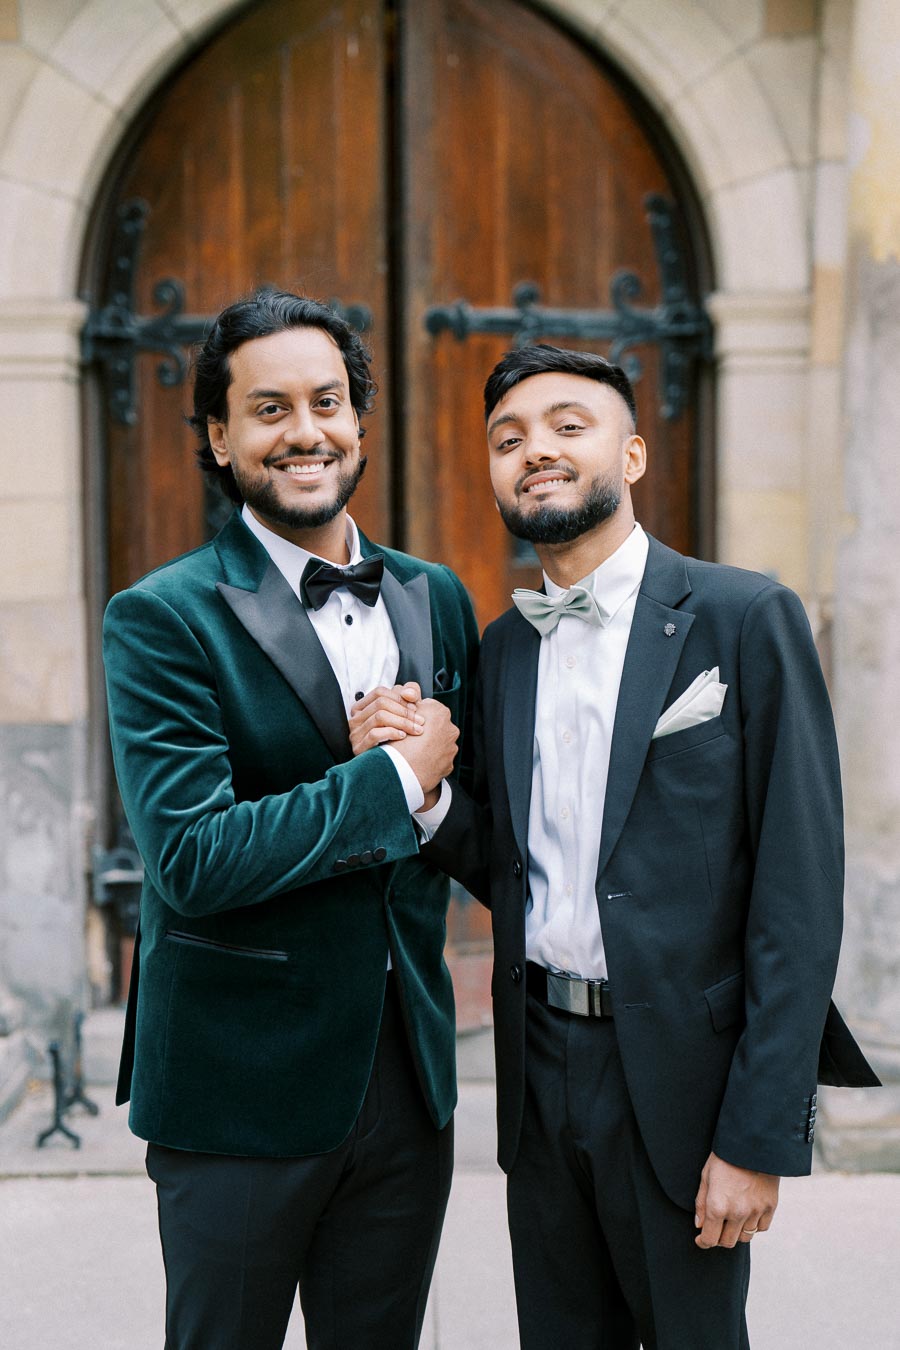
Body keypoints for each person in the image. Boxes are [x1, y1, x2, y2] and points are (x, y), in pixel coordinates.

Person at [367, 343, 879, 1348]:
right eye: (507, 439)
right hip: (540, 1068)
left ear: (633, 455)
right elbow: (506, 863)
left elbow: (800, 889)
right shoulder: (505, 646)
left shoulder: (744, 618)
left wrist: (759, 1134)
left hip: (687, 1082)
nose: (535, 452)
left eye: (568, 425)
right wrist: (421, 792)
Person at [103, 290, 478, 1350]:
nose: (304, 432)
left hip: (407, 1087)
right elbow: (190, 857)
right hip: (237, 1090)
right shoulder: (162, 616)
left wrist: (433, 788)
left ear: (359, 420)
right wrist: (394, 779)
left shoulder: (434, 596)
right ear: (220, 439)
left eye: (326, 402)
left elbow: (463, 814)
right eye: (268, 410)